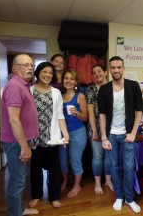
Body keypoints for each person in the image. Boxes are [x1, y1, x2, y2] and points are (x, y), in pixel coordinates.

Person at [97, 56, 143, 213]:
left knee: (129, 168)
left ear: (123, 68)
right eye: (113, 68)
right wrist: (103, 137)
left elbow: (139, 112)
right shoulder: (104, 89)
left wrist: (133, 133)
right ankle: (119, 196)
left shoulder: (133, 86)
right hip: (111, 135)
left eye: (119, 67)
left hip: (127, 135)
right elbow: (102, 114)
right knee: (114, 167)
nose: (116, 70)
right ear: (109, 70)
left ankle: (129, 199)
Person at [0, 54, 39, 216]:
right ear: (15, 68)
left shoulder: (23, 85)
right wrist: (24, 147)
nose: (29, 68)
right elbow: (14, 120)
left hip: (21, 142)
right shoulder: (15, 86)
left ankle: (19, 209)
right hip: (16, 143)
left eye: (31, 65)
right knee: (17, 182)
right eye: (24, 65)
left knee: (20, 179)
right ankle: (15, 213)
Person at [28, 62, 70, 209]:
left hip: (52, 136)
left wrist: (65, 134)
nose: (47, 75)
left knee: (54, 168)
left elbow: (60, 115)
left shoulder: (56, 92)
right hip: (35, 136)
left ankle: (54, 196)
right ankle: (36, 195)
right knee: (35, 168)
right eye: (44, 71)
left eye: (50, 73)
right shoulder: (30, 90)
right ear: (38, 73)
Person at [60, 68, 88, 198]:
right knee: (63, 161)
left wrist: (77, 113)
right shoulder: (59, 96)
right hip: (62, 134)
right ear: (63, 81)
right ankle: (65, 180)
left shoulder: (80, 96)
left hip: (77, 133)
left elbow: (85, 117)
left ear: (76, 81)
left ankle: (77, 185)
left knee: (75, 160)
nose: (69, 81)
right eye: (66, 78)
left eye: (72, 78)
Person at [86, 64, 113, 194]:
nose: (97, 74)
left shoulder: (113, 86)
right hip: (95, 128)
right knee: (97, 157)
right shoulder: (91, 89)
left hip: (112, 129)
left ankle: (108, 180)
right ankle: (97, 183)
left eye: (99, 71)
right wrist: (95, 132)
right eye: (94, 72)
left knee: (109, 157)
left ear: (106, 72)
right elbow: (90, 112)